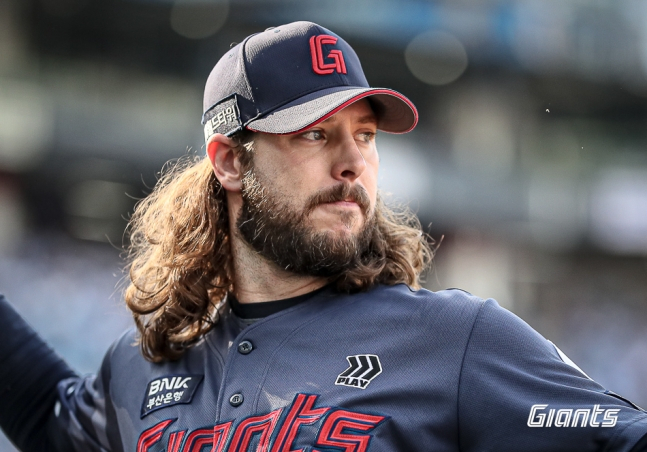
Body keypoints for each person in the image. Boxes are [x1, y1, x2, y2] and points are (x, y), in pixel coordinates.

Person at [1, 20, 647, 452]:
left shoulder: (455, 340)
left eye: (364, 135)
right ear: (230, 161)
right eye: (314, 134)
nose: (352, 163)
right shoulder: (142, 366)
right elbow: (47, 422)